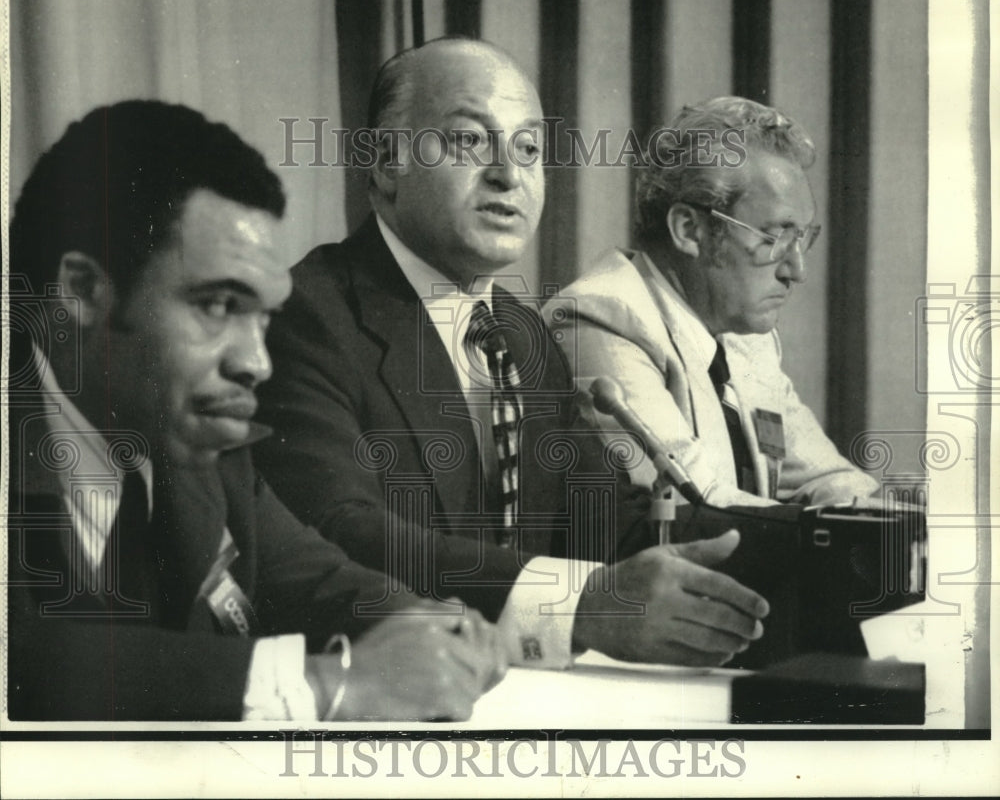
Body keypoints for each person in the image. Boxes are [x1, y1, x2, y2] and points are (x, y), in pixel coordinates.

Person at [255, 38, 770, 672]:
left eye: (528, 148)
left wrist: (825, 548)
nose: (508, 174)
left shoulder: (519, 333)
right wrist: (576, 605)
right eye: (471, 141)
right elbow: (336, 531)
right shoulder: (303, 316)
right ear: (388, 165)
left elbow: (607, 520)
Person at [5, 100, 504, 721]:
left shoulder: (199, 443)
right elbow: (21, 660)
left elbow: (315, 582)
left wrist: (427, 628)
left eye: (263, 315)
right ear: (80, 291)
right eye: (218, 305)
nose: (257, 363)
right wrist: (318, 684)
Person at [544, 96, 878, 511]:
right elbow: (695, 505)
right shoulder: (601, 318)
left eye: (803, 238)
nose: (797, 270)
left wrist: (890, 520)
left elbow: (828, 477)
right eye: (775, 237)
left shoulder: (747, 339)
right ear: (689, 230)